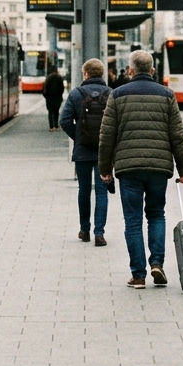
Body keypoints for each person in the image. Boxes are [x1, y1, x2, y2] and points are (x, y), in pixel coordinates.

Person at [98, 50, 183, 289]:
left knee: (133, 221)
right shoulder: (167, 95)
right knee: (156, 214)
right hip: (159, 167)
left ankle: (138, 275)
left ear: (130, 70)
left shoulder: (117, 95)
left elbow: (107, 136)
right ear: (152, 70)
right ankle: (157, 263)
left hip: (129, 168)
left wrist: (105, 168)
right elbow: (177, 137)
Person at [59, 58, 110, 245]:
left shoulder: (76, 94)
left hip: (82, 151)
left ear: (85, 74)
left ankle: (84, 230)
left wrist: (79, 136)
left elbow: (64, 121)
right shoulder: (111, 94)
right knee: (102, 191)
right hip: (104, 152)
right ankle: (99, 233)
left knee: (84, 190)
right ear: (102, 74)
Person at [42, 65, 67, 131]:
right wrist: (60, 96)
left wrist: (46, 97)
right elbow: (62, 88)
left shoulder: (48, 78)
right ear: (56, 70)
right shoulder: (59, 78)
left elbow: (44, 89)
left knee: (50, 112)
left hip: (49, 98)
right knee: (56, 112)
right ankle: (56, 125)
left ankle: (51, 127)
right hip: (57, 98)